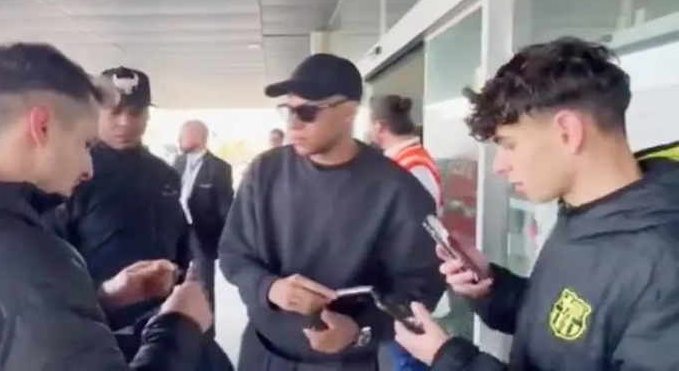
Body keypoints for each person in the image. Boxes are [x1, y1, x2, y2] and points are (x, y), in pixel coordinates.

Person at [0, 42, 212, 370]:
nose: (88, 168)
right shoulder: (19, 258)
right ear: (41, 127)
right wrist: (179, 326)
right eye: (85, 143)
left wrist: (102, 301)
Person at [393, 37, 679, 370]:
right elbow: (564, 330)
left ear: (568, 131)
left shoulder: (665, 266)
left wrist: (450, 359)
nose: (499, 166)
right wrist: (490, 288)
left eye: (509, 145)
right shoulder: (583, 216)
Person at [219, 53, 446, 371]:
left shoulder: (397, 190)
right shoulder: (264, 172)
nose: (293, 124)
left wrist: (359, 329)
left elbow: (420, 288)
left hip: (344, 362)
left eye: (307, 112)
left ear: (349, 112)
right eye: (288, 110)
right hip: (261, 354)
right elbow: (233, 252)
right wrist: (269, 288)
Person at [45, 66, 191, 360]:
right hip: (96, 333)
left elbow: (180, 244)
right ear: (93, 111)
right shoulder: (69, 173)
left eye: (136, 112)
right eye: (115, 112)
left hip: (162, 328)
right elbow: (49, 262)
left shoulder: (164, 174)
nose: (125, 122)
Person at [368, 94, 443, 371]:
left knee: (409, 357)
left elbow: (413, 229)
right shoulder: (403, 160)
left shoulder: (410, 165)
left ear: (379, 127)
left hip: (408, 281)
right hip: (400, 276)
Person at [174, 119, 234, 333]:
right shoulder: (178, 162)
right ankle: (178, 331)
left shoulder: (219, 168)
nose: (179, 139)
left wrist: (228, 241)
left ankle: (207, 335)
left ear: (199, 137)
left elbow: (225, 206)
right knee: (176, 281)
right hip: (177, 231)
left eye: (184, 135)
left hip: (202, 232)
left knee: (204, 285)